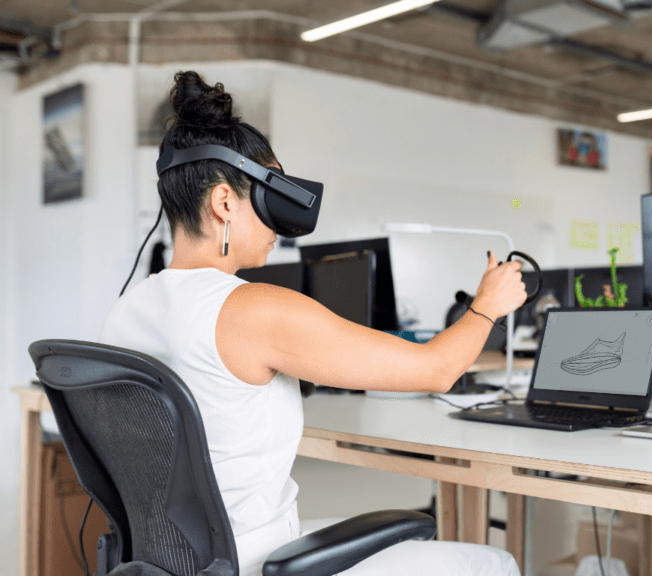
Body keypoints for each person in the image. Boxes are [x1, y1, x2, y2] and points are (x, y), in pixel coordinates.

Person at [98, 71, 526, 576]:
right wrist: (487, 306)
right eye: (269, 191)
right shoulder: (255, 309)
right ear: (224, 202)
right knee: (494, 562)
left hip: (177, 561)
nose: (280, 223)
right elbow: (437, 369)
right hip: (256, 559)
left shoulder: (124, 310)